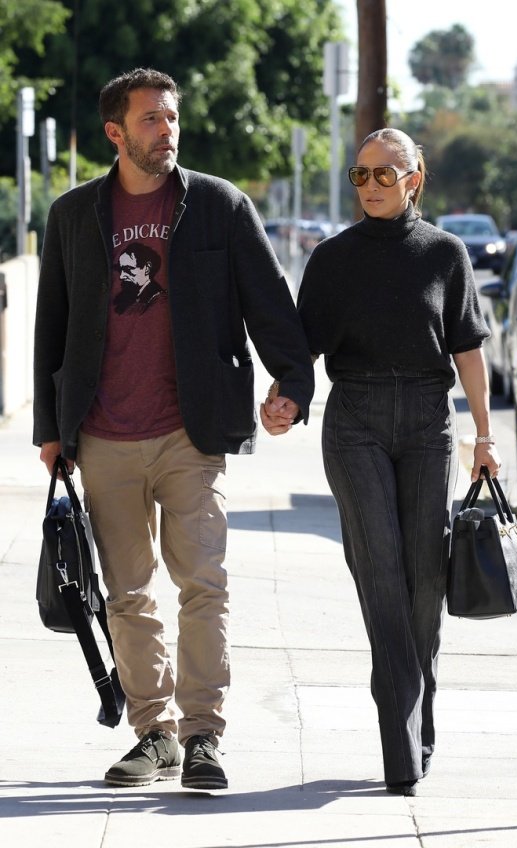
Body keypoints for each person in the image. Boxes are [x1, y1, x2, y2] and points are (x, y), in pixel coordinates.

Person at [33, 67, 314, 790]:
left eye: (171, 117)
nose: (166, 129)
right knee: (128, 594)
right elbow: (52, 327)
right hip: (101, 434)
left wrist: (293, 381)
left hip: (192, 430)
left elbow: (267, 300)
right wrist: (50, 427)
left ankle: (202, 736)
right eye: (151, 119)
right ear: (115, 132)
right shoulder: (73, 214)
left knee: (203, 586)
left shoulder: (217, 205)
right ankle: (151, 732)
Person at [263, 127, 501, 796]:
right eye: (359, 175)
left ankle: (416, 705)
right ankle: (401, 742)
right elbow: (301, 353)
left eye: (383, 174)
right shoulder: (332, 259)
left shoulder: (444, 254)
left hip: (427, 420)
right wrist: (281, 400)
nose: (370, 185)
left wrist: (483, 435)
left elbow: (468, 352)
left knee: (424, 579)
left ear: (413, 179)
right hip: (356, 421)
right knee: (379, 574)